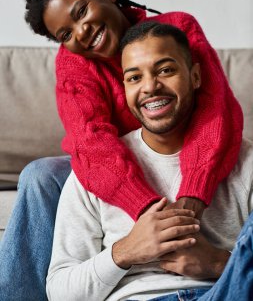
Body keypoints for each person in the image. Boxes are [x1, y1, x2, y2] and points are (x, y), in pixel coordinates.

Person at [0, 0, 243, 301]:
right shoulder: (75, 65)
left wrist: (192, 197)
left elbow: (214, 110)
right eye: (65, 34)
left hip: (181, 149)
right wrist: (149, 215)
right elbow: (90, 142)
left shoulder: (175, 31)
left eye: (81, 11)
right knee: (40, 174)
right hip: (112, 161)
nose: (81, 32)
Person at [46, 21, 253, 301]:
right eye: (134, 78)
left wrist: (218, 263)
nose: (150, 87)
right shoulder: (97, 168)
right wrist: (125, 251)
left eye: (166, 70)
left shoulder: (245, 160)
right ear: (124, 88)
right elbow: (59, 292)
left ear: (195, 77)